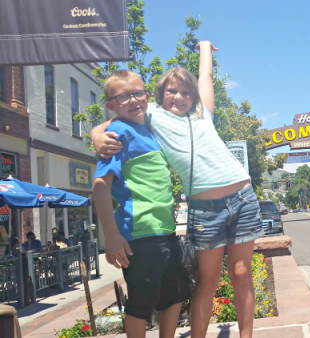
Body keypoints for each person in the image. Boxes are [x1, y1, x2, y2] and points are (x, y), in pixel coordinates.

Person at [91, 41, 262, 338]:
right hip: (205, 210)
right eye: (172, 91)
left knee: (241, 273)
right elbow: (114, 118)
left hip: (243, 198)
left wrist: (205, 49)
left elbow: (205, 78)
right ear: (157, 95)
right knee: (206, 282)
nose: (179, 96)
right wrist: (96, 134)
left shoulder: (202, 113)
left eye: (185, 91)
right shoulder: (151, 115)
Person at [92, 70, 190, 338]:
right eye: (124, 96)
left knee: (176, 294)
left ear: (148, 96)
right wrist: (111, 237)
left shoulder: (148, 130)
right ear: (111, 105)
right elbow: (100, 188)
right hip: (140, 234)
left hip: (165, 231)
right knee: (140, 304)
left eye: (138, 93)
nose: (134, 100)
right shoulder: (118, 133)